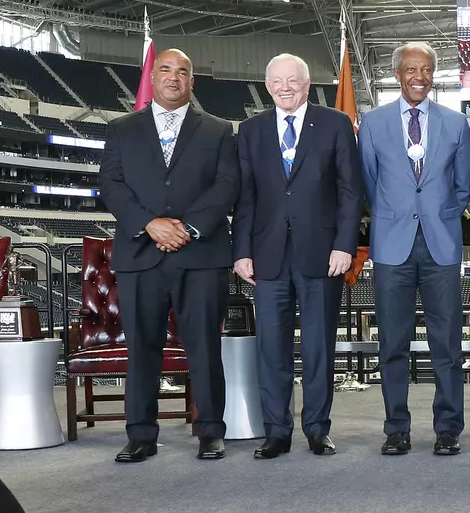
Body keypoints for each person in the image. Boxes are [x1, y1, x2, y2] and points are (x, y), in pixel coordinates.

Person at [98, 49, 239, 463]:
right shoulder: (122, 129)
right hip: (140, 254)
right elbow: (111, 184)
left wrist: (187, 228)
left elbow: (227, 184)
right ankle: (140, 435)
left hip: (202, 254)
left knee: (205, 347)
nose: (174, 77)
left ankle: (210, 431)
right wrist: (149, 224)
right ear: (152, 77)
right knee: (142, 348)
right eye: (165, 69)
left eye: (182, 71)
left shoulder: (218, 130)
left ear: (192, 82)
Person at [234, 52, 364, 458]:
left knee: (318, 347)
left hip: (323, 254)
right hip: (267, 255)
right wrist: (242, 251)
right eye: (277, 81)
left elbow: (350, 190)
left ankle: (317, 428)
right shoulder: (251, 130)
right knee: (271, 349)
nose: (285, 88)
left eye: (293, 80)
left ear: (307, 84)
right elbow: (245, 196)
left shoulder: (335, 124)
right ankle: (276, 431)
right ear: (267, 86)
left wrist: (345, 245)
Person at [358, 42, 470, 456]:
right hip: (392, 246)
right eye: (410, 69)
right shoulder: (372, 123)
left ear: (433, 74)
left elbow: (463, 185)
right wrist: (398, 214)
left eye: (425, 69)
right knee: (392, 344)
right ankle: (396, 429)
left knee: (447, 345)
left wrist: (437, 214)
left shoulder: (455, 123)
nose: (419, 77)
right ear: (396, 75)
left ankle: (448, 429)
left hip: (441, 245)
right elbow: (369, 183)